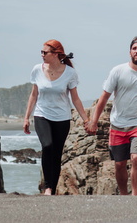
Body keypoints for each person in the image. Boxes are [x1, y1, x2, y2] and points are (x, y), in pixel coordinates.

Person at [86, 36, 137, 196]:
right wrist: (94, 121)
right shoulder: (118, 71)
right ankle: (124, 195)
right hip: (118, 124)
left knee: (136, 158)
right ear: (129, 52)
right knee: (120, 164)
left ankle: (135, 196)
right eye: (134, 48)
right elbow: (104, 97)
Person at [23, 39, 89, 195]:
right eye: (42, 52)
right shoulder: (37, 70)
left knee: (57, 153)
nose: (42, 55)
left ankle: (52, 188)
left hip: (62, 118)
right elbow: (34, 95)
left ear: (56, 54)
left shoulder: (70, 73)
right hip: (42, 114)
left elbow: (75, 98)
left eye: (45, 52)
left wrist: (86, 119)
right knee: (47, 146)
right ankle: (47, 186)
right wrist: (26, 118)